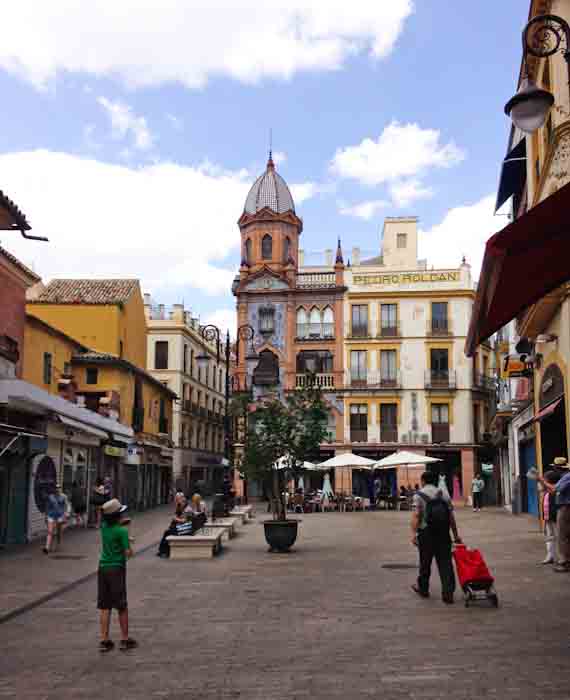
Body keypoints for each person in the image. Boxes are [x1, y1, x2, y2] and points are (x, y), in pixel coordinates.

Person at [411, 471, 462, 604]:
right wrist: (456, 535)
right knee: (445, 563)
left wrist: (414, 534)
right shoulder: (444, 494)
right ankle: (448, 593)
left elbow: (416, 516)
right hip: (443, 533)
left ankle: (423, 589)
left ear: (423, 481)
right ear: (435, 481)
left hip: (426, 533)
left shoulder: (418, 495)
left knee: (425, 562)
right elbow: (451, 517)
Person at [98, 498, 137, 652]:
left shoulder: (103, 527)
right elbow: (128, 554)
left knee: (104, 606)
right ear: (117, 516)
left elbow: (112, 527)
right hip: (116, 568)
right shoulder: (122, 531)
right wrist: (127, 541)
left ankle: (104, 640)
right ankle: (125, 639)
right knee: (121, 605)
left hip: (103, 568)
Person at [538, 469, 562, 565]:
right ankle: (550, 555)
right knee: (549, 536)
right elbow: (540, 489)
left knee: (560, 536)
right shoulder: (546, 491)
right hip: (547, 516)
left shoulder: (555, 490)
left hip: (555, 516)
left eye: (545, 479)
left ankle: (562, 557)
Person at [43, 485, 67, 554]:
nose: (57, 489)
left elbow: (67, 506)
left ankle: (58, 544)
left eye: (59, 488)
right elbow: (47, 507)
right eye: (56, 488)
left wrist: (65, 514)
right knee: (50, 531)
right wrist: (46, 516)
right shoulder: (50, 497)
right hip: (51, 516)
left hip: (60, 516)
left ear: (60, 489)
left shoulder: (64, 497)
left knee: (59, 532)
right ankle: (47, 548)